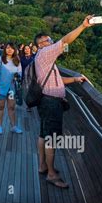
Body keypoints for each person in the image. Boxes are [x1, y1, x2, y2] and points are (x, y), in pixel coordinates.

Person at [35, 15, 93, 189]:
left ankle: (43, 166)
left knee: (43, 135)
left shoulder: (42, 58)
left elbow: (56, 78)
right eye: (48, 40)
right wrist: (82, 26)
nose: (51, 41)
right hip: (52, 102)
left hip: (45, 100)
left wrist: (74, 80)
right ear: (41, 44)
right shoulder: (46, 52)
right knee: (51, 138)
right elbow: (66, 40)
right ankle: (51, 175)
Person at [0, 43, 23, 135]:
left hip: (11, 88)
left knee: (11, 107)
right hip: (1, 87)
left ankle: (13, 126)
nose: (10, 50)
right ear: (5, 49)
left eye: (12, 48)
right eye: (8, 48)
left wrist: (17, 76)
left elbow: (20, 73)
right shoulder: (0, 59)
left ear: (15, 50)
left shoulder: (17, 60)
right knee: (0, 106)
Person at [20, 45, 35, 112]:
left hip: (32, 77)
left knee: (31, 92)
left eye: (28, 48)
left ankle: (30, 105)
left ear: (30, 49)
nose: (27, 50)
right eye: (25, 49)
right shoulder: (21, 58)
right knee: (26, 91)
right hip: (23, 76)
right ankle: (28, 105)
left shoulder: (34, 57)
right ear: (24, 50)